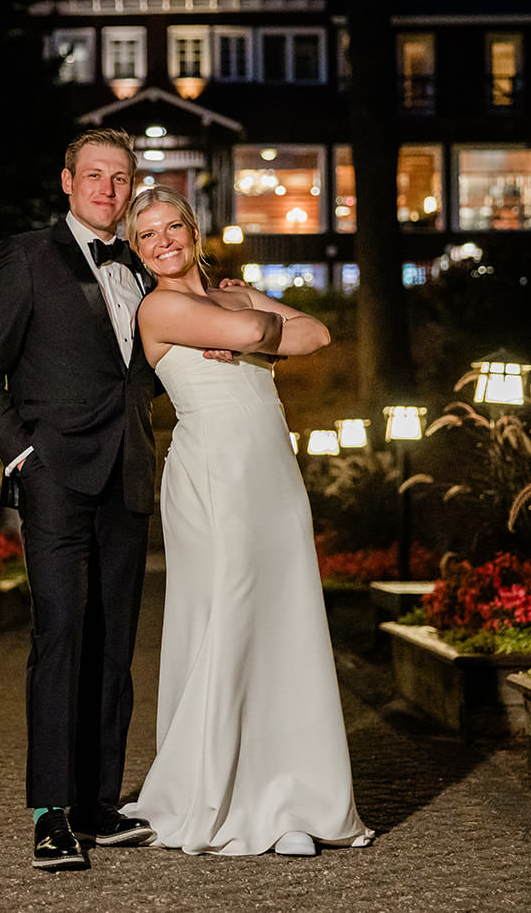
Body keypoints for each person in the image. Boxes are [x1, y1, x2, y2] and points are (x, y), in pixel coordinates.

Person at [119, 186, 375, 857]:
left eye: (174, 225)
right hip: (214, 473)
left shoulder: (228, 291)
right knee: (229, 622)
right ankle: (220, 794)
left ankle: (289, 797)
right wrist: (253, 319)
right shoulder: (159, 305)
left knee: (285, 621)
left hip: (272, 470)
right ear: (137, 249)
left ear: (195, 230)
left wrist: (253, 321)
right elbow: (261, 331)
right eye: (148, 234)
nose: (164, 240)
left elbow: (318, 332)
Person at [0, 127, 161, 872]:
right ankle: (50, 813)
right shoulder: (24, 257)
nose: (108, 190)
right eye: (95, 176)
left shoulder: (142, 268)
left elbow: (142, 374)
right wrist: (23, 456)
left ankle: (99, 805)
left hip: (129, 477)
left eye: (120, 178)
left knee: (115, 648)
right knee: (61, 639)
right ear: (68, 180)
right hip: (54, 479)